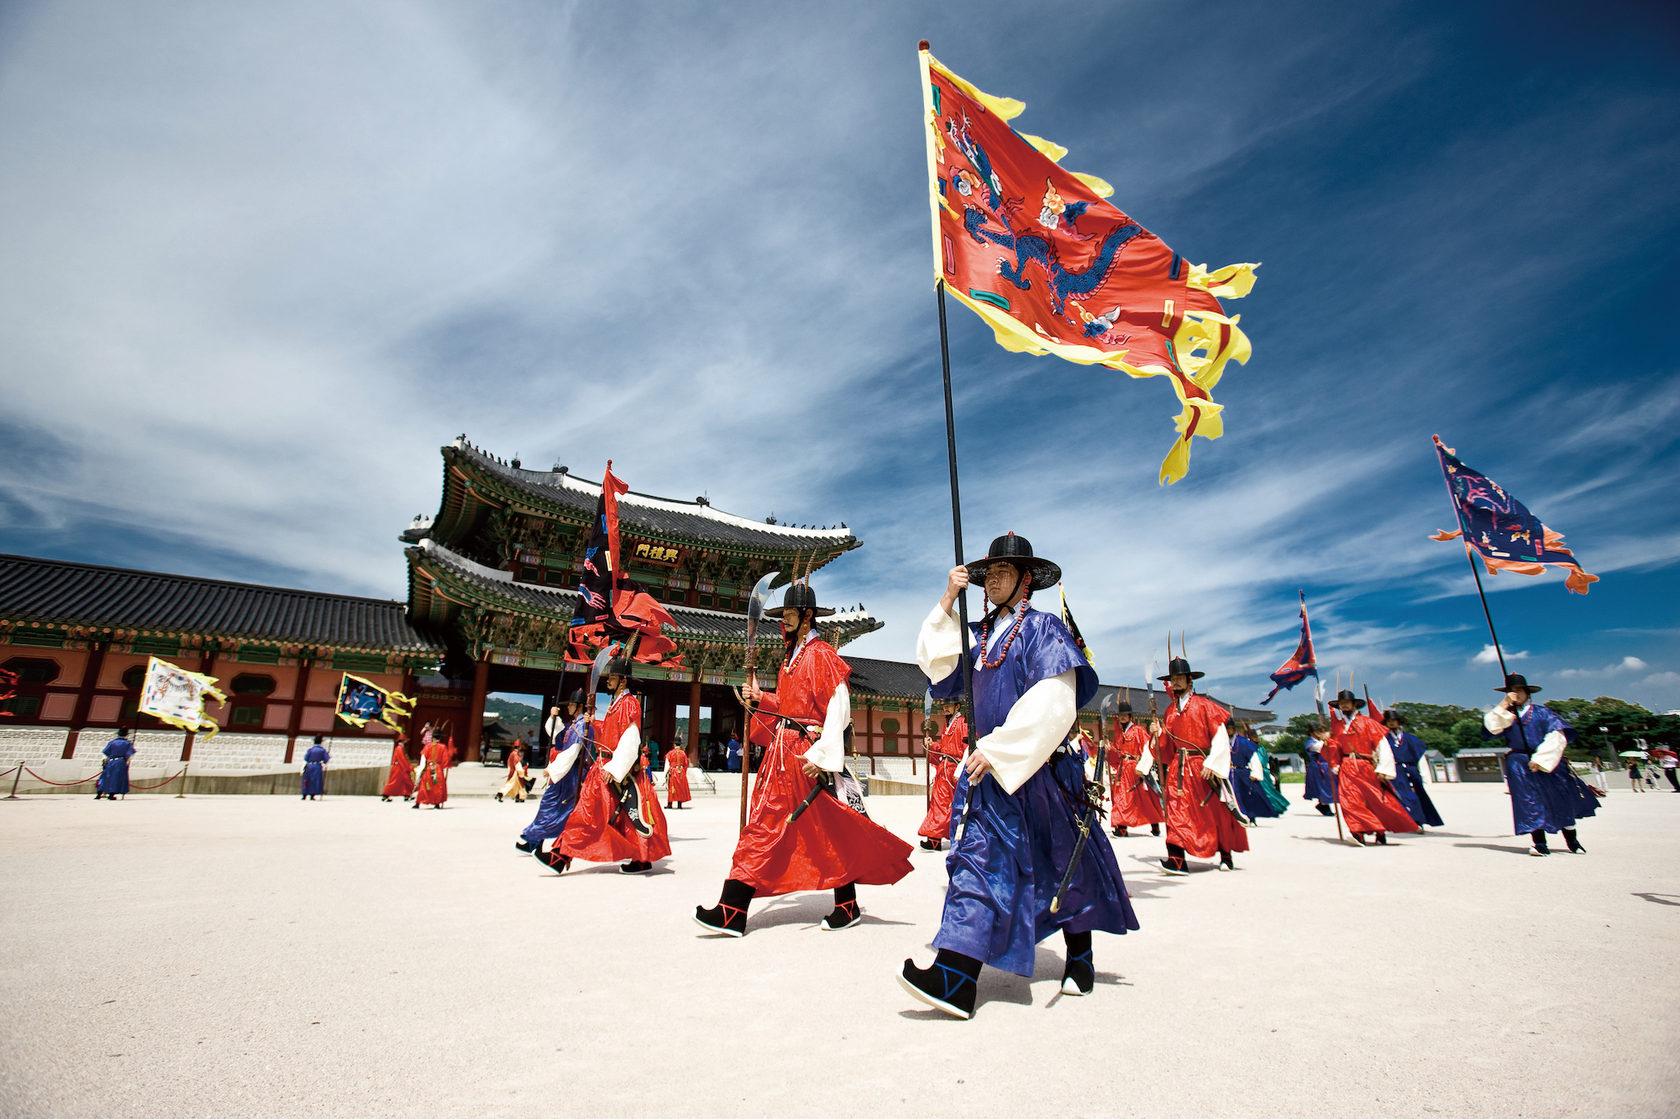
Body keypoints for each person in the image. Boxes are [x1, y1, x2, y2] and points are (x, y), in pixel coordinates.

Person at [899, 534, 1137, 1019]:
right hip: (990, 772)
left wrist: (1002, 749)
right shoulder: (981, 635)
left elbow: (1055, 698)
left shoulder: (1045, 629)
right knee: (976, 867)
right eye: (988, 574)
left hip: (1040, 770)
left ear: (1026, 580)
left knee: (1061, 867)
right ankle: (957, 978)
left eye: (1004, 572)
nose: (992, 581)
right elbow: (937, 668)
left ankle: (1081, 956)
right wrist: (947, 599)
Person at [696, 581, 912, 937]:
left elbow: (838, 707)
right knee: (802, 826)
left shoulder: (822, 655)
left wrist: (824, 756)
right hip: (783, 753)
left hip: (803, 755)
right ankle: (840, 904)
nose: (784, 621)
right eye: (782, 616)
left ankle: (734, 909)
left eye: (790, 615)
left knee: (783, 827)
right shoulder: (791, 660)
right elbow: (791, 708)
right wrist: (762, 699)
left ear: (807, 616)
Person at [544, 655, 670, 875]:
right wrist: (597, 724)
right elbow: (612, 734)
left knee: (591, 812)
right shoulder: (616, 704)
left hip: (612, 769)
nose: (608, 681)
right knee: (597, 813)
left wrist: (616, 769)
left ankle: (561, 856)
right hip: (604, 766)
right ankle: (561, 854)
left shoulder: (629, 703)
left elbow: (631, 738)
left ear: (622, 680)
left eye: (612, 677)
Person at [1151, 654, 1249, 873]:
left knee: (1215, 811)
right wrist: (1157, 735)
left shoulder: (1205, 706)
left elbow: (1221, 738)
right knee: (1176, 810)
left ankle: (1225, 854)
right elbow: (1165, 748)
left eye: (1180, 678)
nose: (1176, 682)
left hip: (1201, 765)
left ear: (1189, 680)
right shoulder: (1169, 711)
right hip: (1178, 767)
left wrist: (1212, 764)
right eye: (1173, 678)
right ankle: (1177, 860)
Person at [1483, 673, 1596, 856]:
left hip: (1548, 761)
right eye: (1511, 691)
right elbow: (1490, 727)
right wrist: (1504, 704)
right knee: (1529, 802)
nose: (1515, 694)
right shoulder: (1507, 715)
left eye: (1519, 690)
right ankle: (1539, 843)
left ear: (1528, 692)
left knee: (1559, 799)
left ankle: (1572, 841)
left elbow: (1557, 736)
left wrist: (1541, 759)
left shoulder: (1543, 712)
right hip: (1519, 763)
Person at [1323, 689, 1417, 846]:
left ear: (1354, 704)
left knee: (1374, 799)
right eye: (1341, 704)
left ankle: (1380, 831)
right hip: (1347, 766)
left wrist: (1384, 768)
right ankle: (1357, 832)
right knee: (1349, 800)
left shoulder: (1368, 723)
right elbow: (1336, 747)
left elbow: (1383, 746)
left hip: (1365, 765)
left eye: (1347, 703)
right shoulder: (1338, 727)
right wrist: (1333, 759)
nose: (1344, 705)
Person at [520, 692, 592, 856]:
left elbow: (572, 752)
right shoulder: (573, 724)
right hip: (564, 774)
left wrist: (552, 769)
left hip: (572, 774)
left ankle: (547, 845)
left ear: (579, 706)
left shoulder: (582, 726)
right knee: (549, 805)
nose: (568, 707)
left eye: (571, 705)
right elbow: (557, 736)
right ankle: (534, 840)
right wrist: (553, 718)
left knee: (559, 810)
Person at [1106, 701, 1163, 839]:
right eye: (1121, 716)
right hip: (1122, 769)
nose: (1122, 718)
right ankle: (1121, 827)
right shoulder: (1120, 734)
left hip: (1135, 767)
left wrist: (1143, 766)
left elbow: (1148, 746)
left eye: (1125, 715)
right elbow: (1117, 752)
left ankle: (1155, 825)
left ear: (1130, 716)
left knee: (1146, 798)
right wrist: (1110, 750)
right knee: (1122, 797)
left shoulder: (1138, 730)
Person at [917, 698, 966, 851]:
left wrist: (962, 768)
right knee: (939, 803)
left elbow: (967, 747)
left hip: (954, 768)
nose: (945, 709)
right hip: (944, 769)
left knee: (952, 804)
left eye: (948, 706)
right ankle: (935, 838)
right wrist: (932, 744)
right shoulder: (947, 725)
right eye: (944, 706)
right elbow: (944, 748)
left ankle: (952, 836)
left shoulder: (963, 723)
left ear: (957, 707)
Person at [1382, 711, 1443, 830]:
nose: (1391, 723)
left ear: (1399, 722)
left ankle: (1419, 821)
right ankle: (1407, 822)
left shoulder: (1410, 738)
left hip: (1411, 769)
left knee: (1417, 795)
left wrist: (1425, 776)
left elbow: (1420, 757)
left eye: (1394, 720)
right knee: (1401, 796)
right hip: (1395, 770)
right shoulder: (1384, 739)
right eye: (1389, 721)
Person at [1227, 725, 1281, 822]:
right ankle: (1238, 816)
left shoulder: (1244, 743)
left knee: (1249, 795)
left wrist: (1255, 772)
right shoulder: (1223, 742)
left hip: (1244, 772)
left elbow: (1254, 759)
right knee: (1233, 796)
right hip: (1230, 773)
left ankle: (1252, 817)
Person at [413, 722, 450, 809]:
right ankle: (437, 803)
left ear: (432, 737)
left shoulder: (427, 746)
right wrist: (444, 766)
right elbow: (445, 760)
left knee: (424, 785)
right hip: (438, 768)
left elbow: (423, 759)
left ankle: (418, 802)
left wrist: (421, 769)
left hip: (429, 767)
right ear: (440, 737)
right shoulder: (443, 747)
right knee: (438, 786)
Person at [1303, 724, 1337, 816]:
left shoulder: (1319, 741)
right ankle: (1324, 805)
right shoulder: (1311, 742)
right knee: (1322, 787)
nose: (1320, 734)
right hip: (1317, 767)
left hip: (1325, 766)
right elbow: (1320, 748)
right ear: (1312, 732)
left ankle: (1324, 805)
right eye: (1318, 732)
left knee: (1328, 786)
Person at [94, 727, 135, 800]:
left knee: (105, 776)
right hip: (120, 761)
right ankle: (111, 794)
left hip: (110, 761)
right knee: (116, 778)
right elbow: (130, 755)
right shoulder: (128, 743)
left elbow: (105, 752)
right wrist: (127, 761)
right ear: (126, 735)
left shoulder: (112, 742)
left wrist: (105, 761)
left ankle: (99, 793)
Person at [381, 733, 415, 802]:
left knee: (406, 781)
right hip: (398, 768)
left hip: (400, 767)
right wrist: (408, 767)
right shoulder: (399, 748)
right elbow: (402, 759)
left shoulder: (400, 748)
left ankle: (407, 795)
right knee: (393, 782)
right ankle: (385, 795)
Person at [301, 735, 329, 801]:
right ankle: (312, 795)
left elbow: (306, 758)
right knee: (315, 780)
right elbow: (326, 760)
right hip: (317, 766)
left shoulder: (310, 750)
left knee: (307, 780)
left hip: (309, 766)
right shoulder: (322, 750)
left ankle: (304, 795)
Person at [664, 742, 692, 809]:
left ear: (674, 744)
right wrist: (683, 771)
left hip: (673, 771)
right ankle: (679, 804)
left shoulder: (670, 753)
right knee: (680, 787)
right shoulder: (683, 753)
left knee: (672, 787)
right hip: (681, 772)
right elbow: (686, 763)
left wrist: (666, 772)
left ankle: (670, 804)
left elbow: (667, 763)